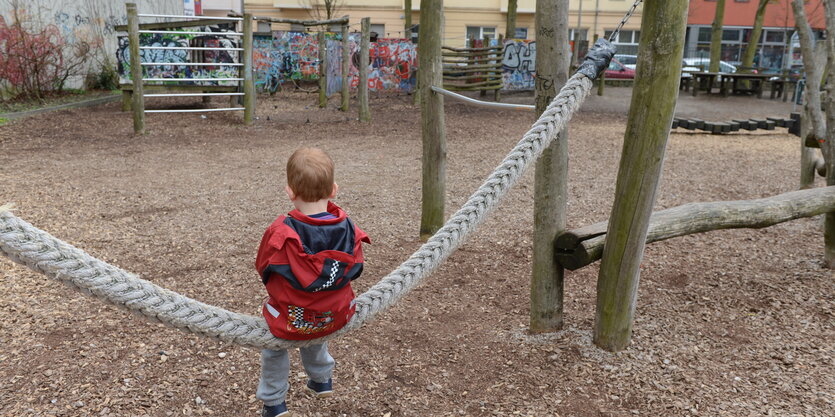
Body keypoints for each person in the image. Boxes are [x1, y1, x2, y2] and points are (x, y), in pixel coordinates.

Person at [254, 147, 370, 417]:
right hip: (336, 314)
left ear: (290, 192)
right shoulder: (349, 227)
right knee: (318, 316)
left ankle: (274, 403)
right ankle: (321, 381)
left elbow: (263, 267)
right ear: (334, 190)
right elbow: (356, 268)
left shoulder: (281, 231)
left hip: (291, 318)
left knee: (274, 347)